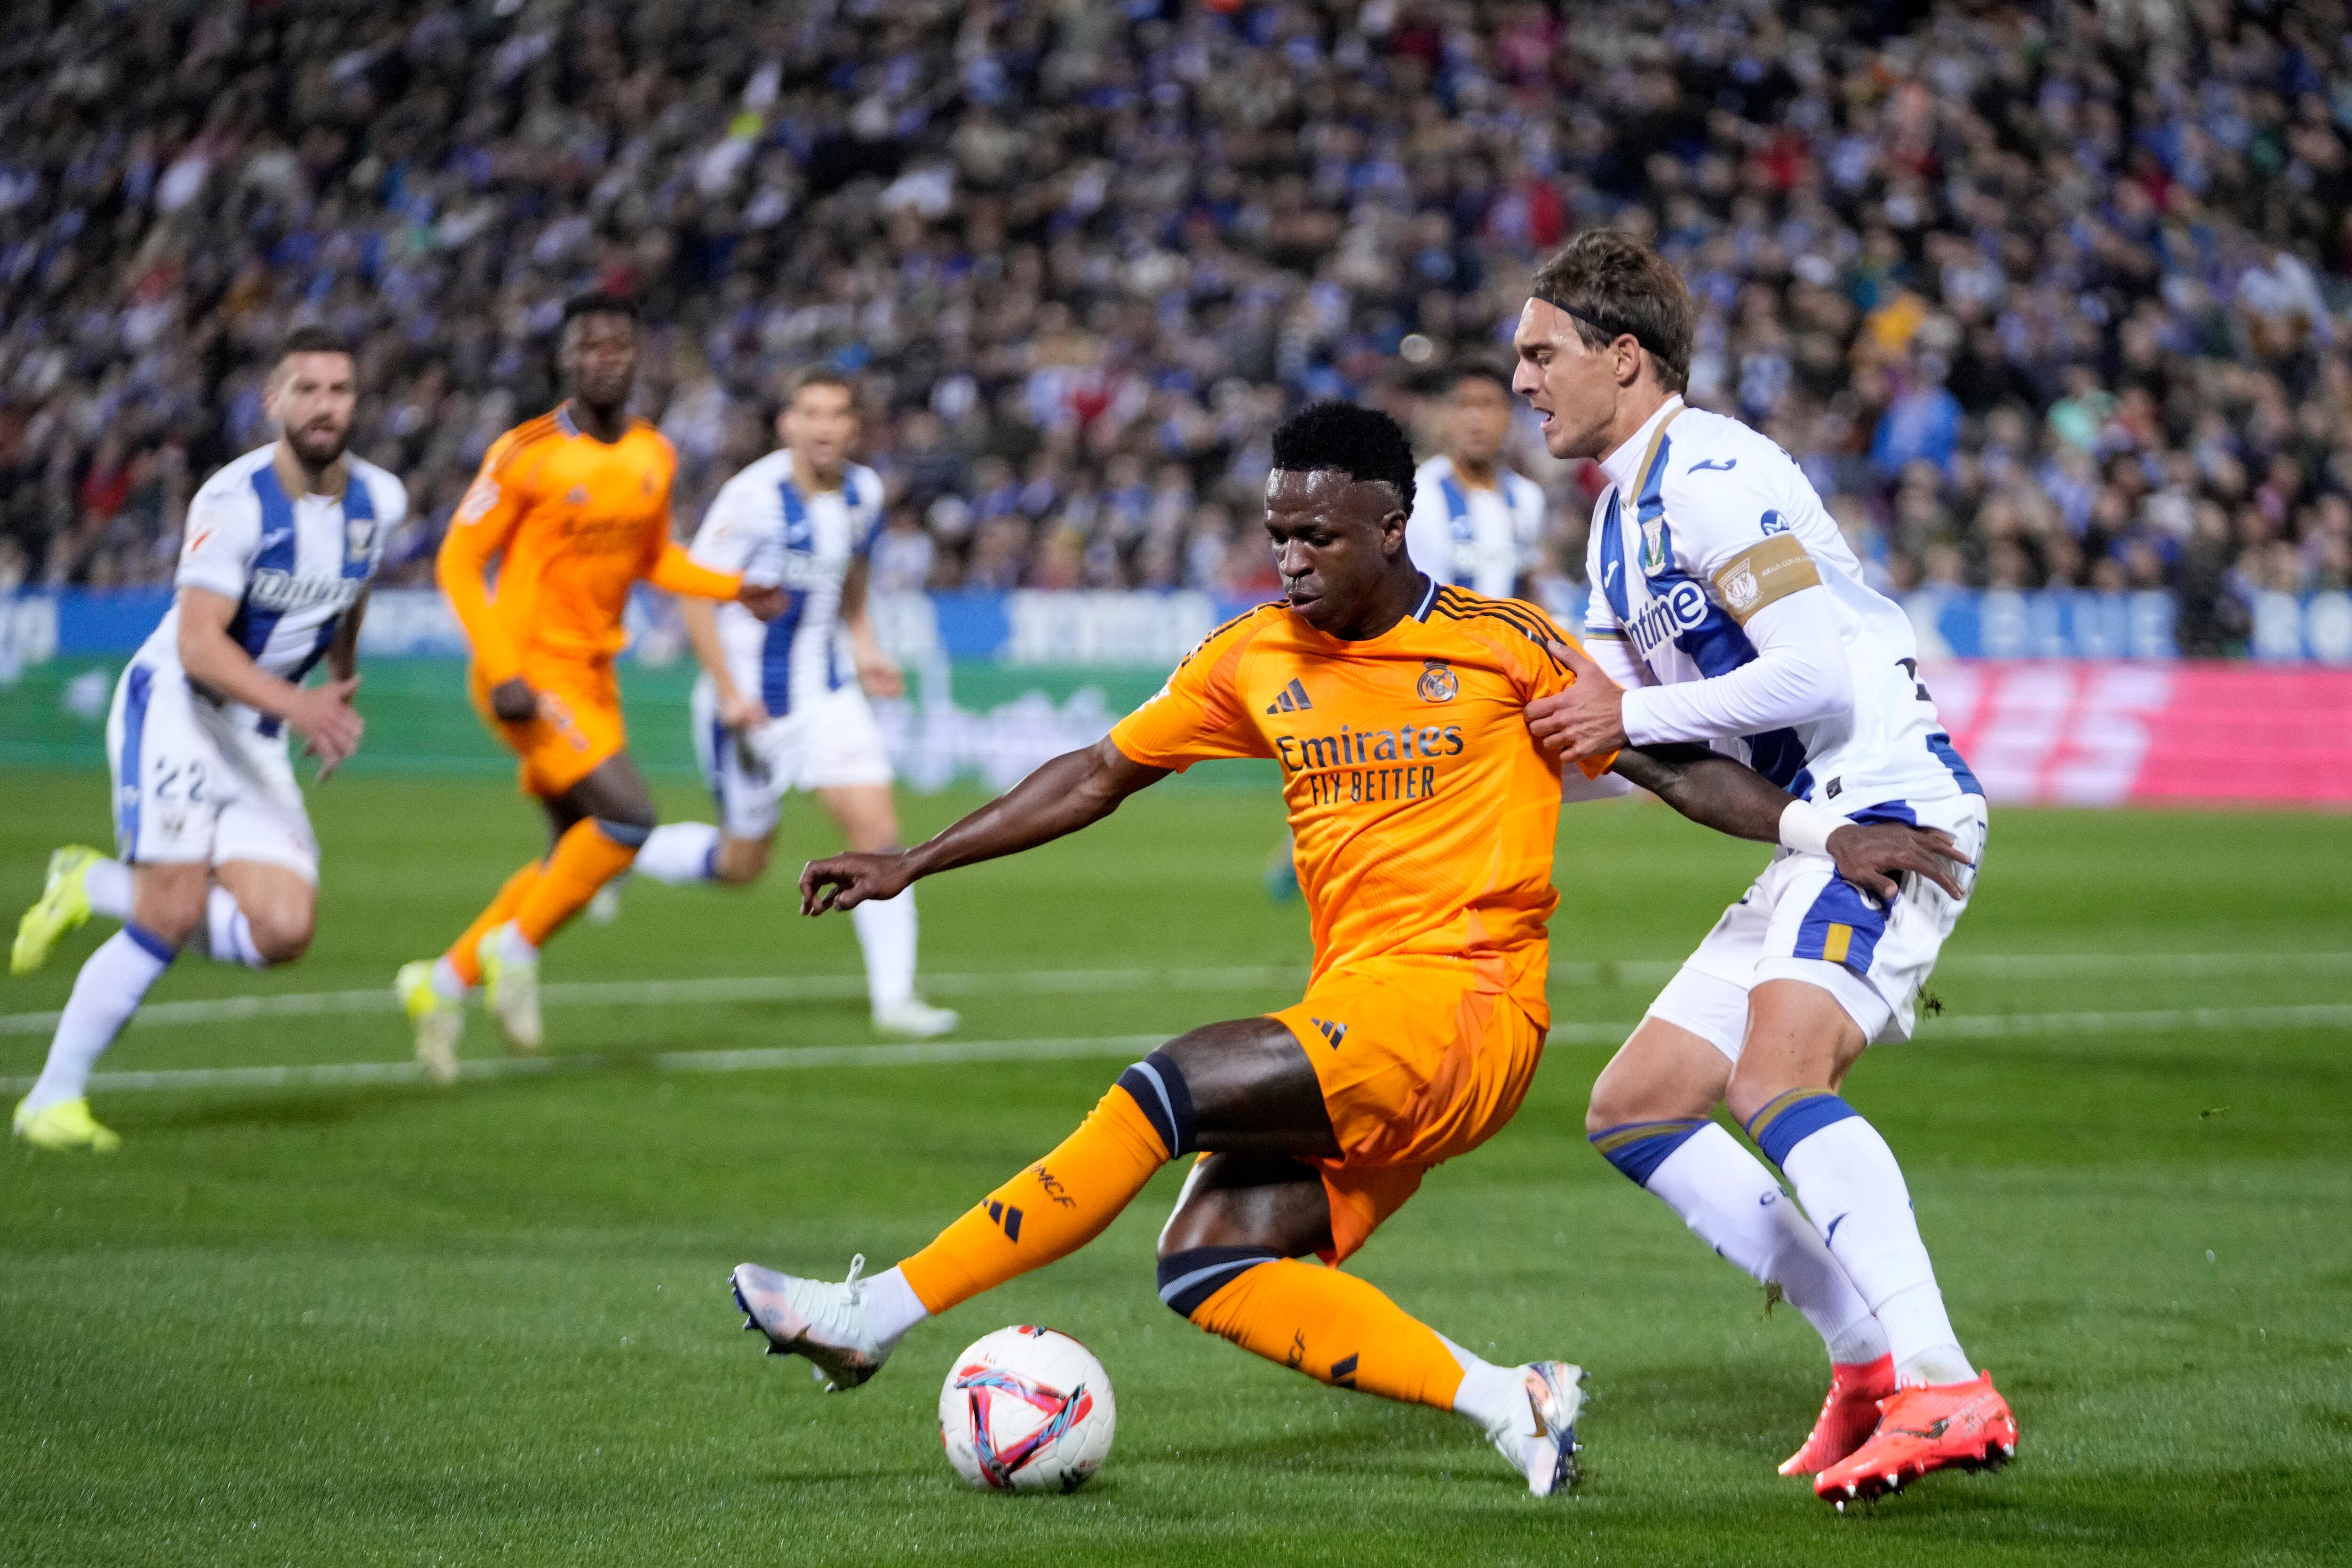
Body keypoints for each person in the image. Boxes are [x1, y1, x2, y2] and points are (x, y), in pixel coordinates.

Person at [722, 401, 1969, 1496]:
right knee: (1210, 1264)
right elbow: (1099, 773)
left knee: (1165, 1086)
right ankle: (1513, 1399)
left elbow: (1674, 769)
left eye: (1318, 535)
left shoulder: (1504, 645)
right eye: (1277, 532)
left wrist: (1823, 827)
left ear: (1393, 524)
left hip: (1465, 1013)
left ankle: (872, 1311)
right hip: (1364, 1026)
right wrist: (913, 860)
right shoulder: (1254, 653)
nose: (1291, 558)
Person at [1511, 229, 2014, 1505]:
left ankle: (1943, 1376)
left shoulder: (1715, 472)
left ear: (1625, 358)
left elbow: (1809, 673)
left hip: (1894, 800)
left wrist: (1621, 716)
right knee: (1638, 1105)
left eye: (1541, 353)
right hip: (1823, 822)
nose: (1520, 380)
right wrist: (1603, 724)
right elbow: (1655, 751)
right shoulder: (1616, 530)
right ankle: (1863, 1357)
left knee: (1778, 1072)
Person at [11, 329, 403, 1150]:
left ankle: (95, 883)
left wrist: (339, 676)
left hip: (257, 730)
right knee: (174, 909)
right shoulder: (233, 501)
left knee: (286, 930)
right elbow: (198, 643)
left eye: (339, 390)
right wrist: (301, 710)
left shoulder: (380, 500)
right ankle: (53, 1098)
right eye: (306, 389)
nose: (324, 405)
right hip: (180, 711)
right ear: (274, 401)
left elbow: (351, 589)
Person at [394, 294, 783, 1080]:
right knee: (630, 817)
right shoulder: (525, 452)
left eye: (619, 345)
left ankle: (438, 985)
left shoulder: (652, 454)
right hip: (530, 673)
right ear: (567, 360)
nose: (605, 357)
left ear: (637, 357)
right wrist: (503, 669)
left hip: (593, 674)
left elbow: (652, 559)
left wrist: (731, 586)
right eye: (589, 345)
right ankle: (514, 948)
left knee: (572, 855)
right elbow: (458, 562)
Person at [622, 366, 956, 1038]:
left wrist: (866, 647)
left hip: (829, 697)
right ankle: (613, 849)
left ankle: (895, 999)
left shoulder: (864, 492)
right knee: (743, 865)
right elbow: (695, 593)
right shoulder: (752, 498)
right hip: (753, 708)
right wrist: (728, 692)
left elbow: (851, 579)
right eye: (812, 412)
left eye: (838, 414)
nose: (825, 426)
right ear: (789, 424)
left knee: (880, 838)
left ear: (854, 427)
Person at [1405, 362, 1551, 599]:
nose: (1476, 420)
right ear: (1446, 415)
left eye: (1488, 405)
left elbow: (1528, 586)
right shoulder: (1418, 495)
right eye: (1464, 405)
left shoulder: (1528, 497)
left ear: (1509, 416)